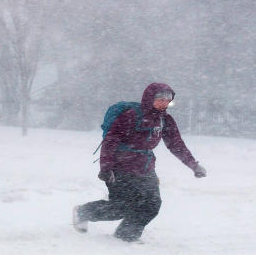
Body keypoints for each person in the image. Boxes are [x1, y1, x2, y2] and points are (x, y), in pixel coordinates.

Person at [73, 83, 206, 243]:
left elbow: (176, 144)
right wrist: (106, 168)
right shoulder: (131, 115)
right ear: (150, 98)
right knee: (120, 207)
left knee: (152, 204)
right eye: (160, 99)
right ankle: (83, 212)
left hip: (146, 168)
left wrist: (193, 165)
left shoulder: (165, 120)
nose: (164, 103)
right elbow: (110, 141)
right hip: (121, 167)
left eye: (167, 100)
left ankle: (126, 236)